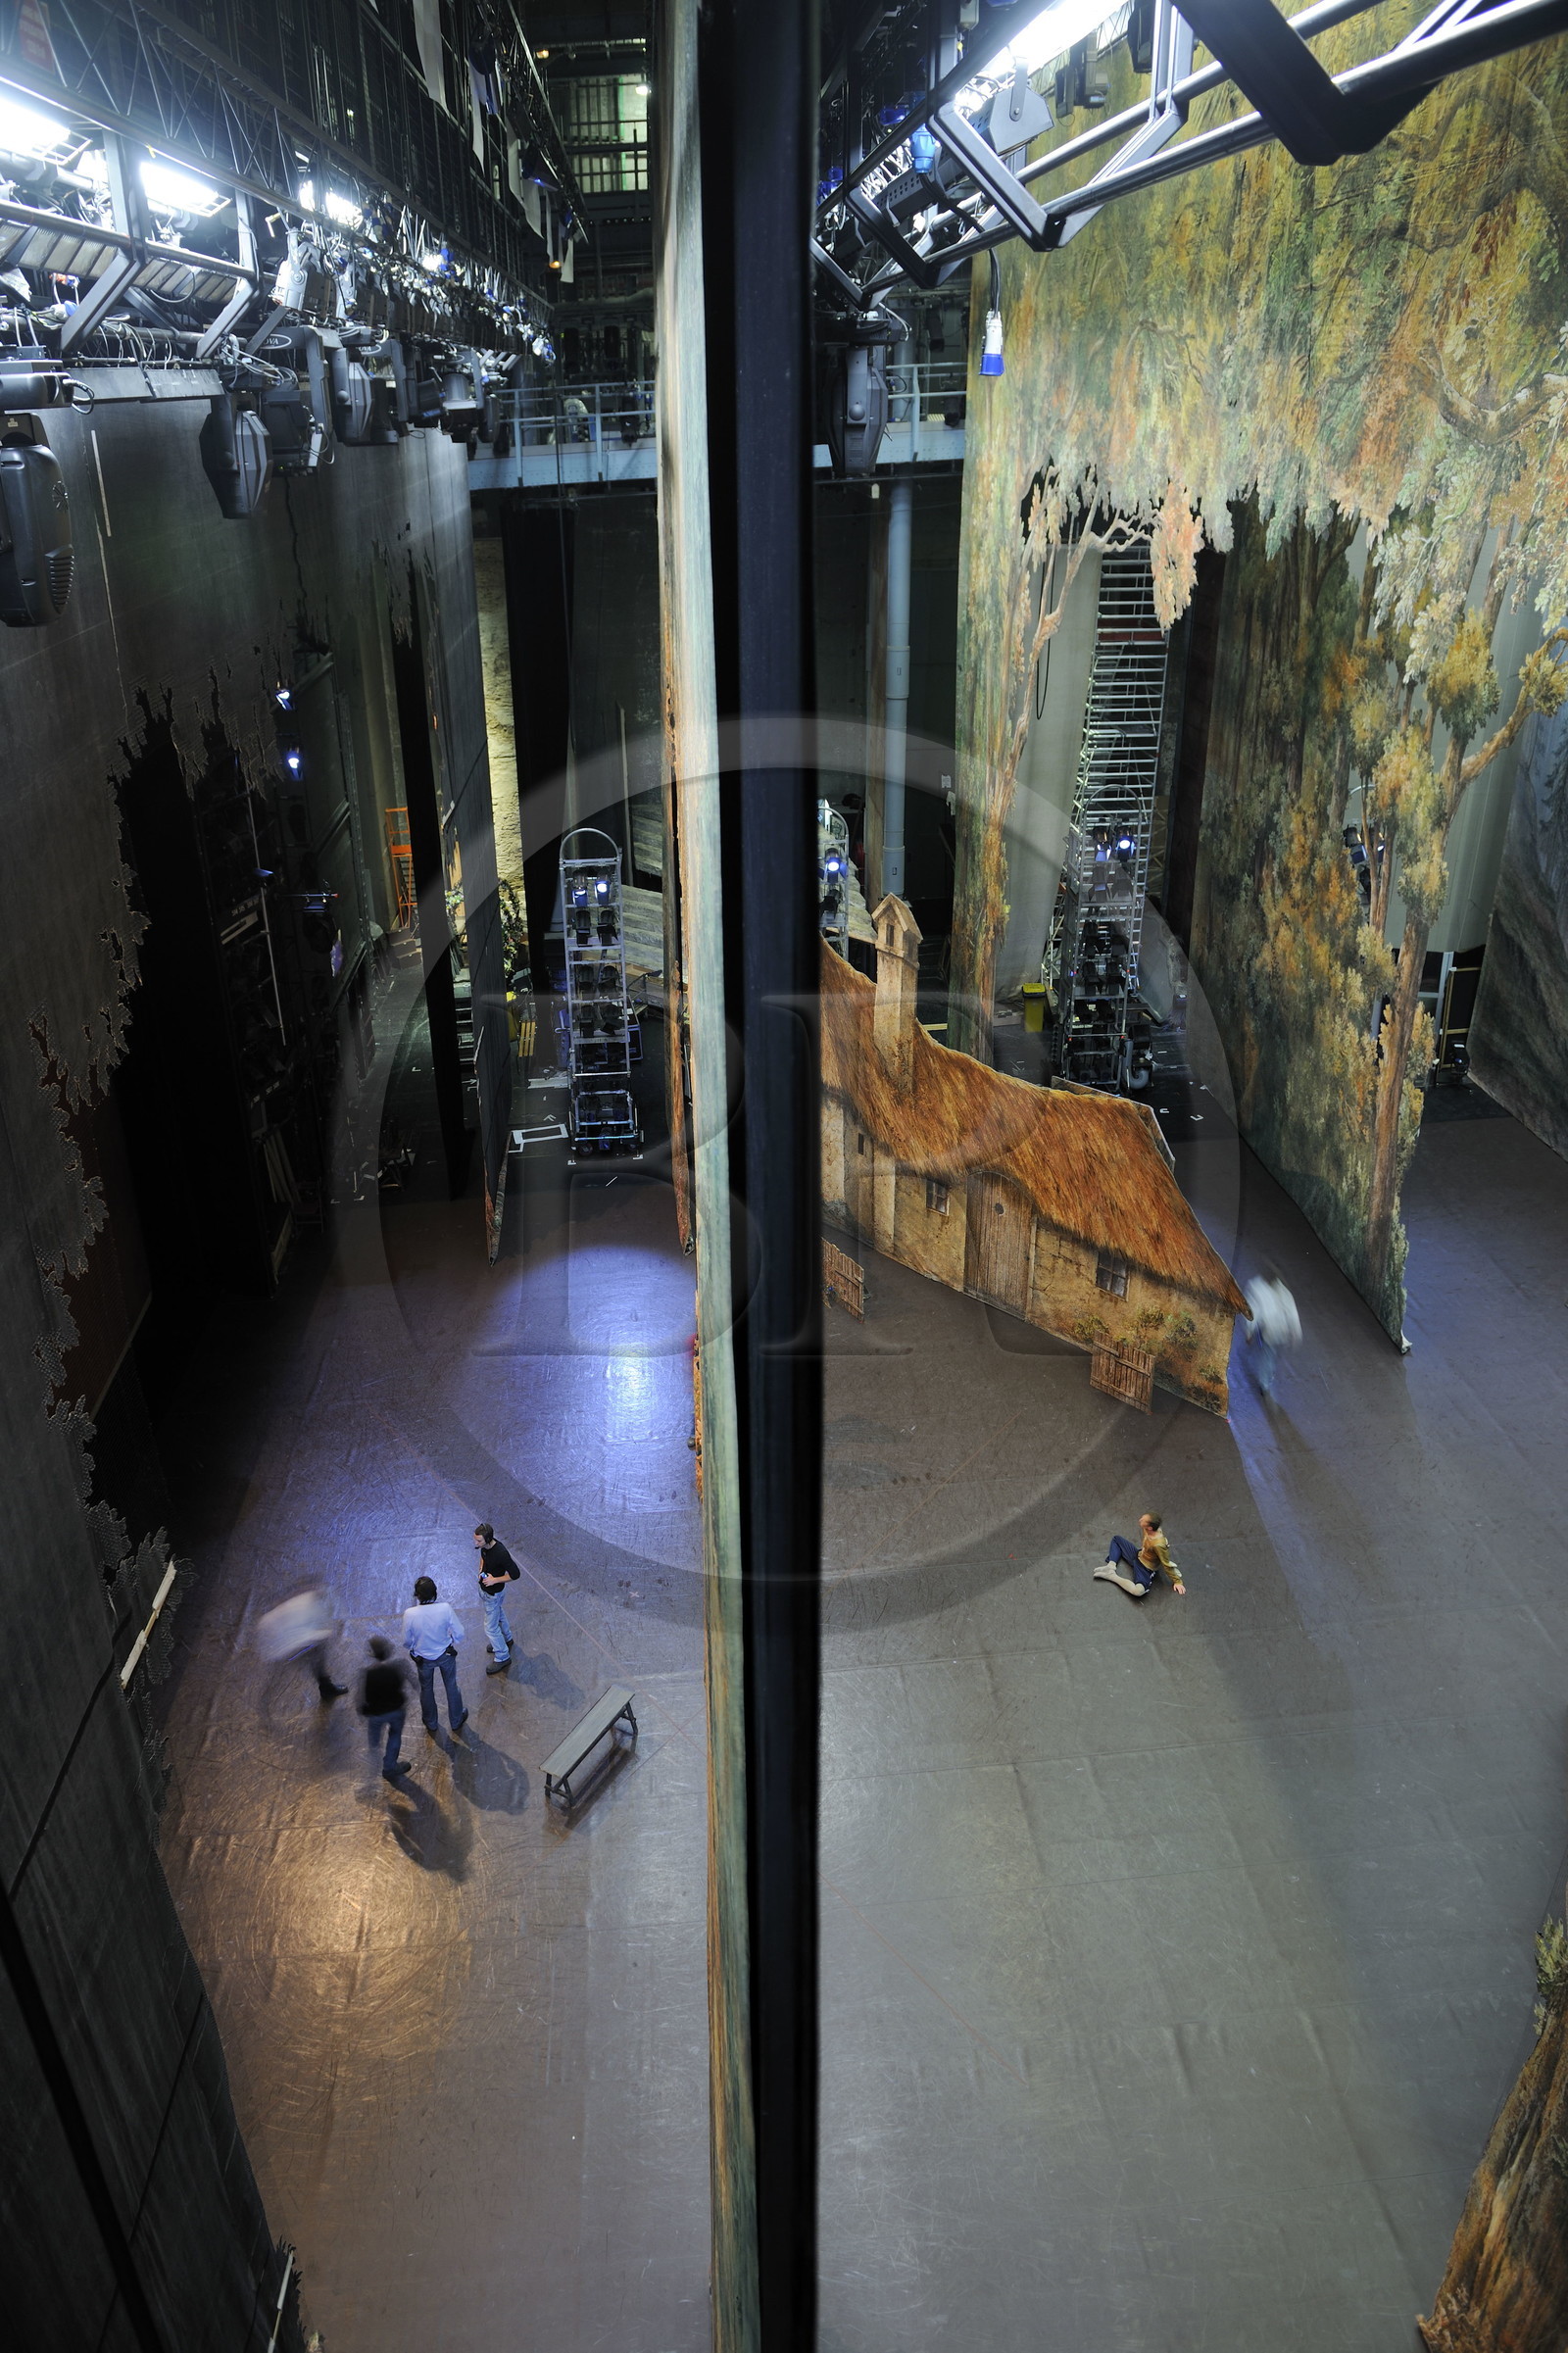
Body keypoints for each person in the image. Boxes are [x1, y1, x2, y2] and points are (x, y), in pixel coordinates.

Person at [402, 1576, 468, 1737]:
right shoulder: (445, 1608)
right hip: (445, 1654)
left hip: (423, 1659)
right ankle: (456, 1720)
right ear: (435, 1593)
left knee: (426, 1689)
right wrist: (452, 1641)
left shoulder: (410, 1614)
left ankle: (431, 1723)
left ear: (418, 1596)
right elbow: (460, 1632)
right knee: (451, 1685)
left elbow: (406, 1641)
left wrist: (413, 1649)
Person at [256, 1584, 346, 1699]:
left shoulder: (298, 1604)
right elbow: (319, 1633)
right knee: (316, 1657)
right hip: (293, 1644)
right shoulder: (308, 1609)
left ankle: (325, 1687)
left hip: (286, 1643)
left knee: (316, 1658)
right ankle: (326, 1688)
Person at [1094, 1512, 1186, 1600]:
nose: (1140, 1520)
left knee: (1138, 1591)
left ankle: (1112, 1576)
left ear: (1149, 1527)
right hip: (1138, 1555)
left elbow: (1166, 1564)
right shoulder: (1149, 1528)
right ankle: (1110, 1567)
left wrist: (1177, 1582)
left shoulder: (1158, 1545)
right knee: (1117, 1539)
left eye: (1143, 1520)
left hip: (1145, 1568)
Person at [358, 1636, 412, 1781]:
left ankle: (372, 1766)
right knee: (394, 1736)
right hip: (395, 1711)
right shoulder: (397, 1668)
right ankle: (389, 1766)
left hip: (375, 1714)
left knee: (374, 1742)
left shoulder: (368, 1673)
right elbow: (408, 1684)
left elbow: (362, 1696)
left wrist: (361, 1712)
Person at [1244, 1267, 1301, 1395]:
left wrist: (1249, 1332)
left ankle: (1264, 1383)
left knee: (1267, 1354)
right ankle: (1266, 1378)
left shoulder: (1258, 1289)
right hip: (1279, 1331)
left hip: (1270, 1330)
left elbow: (1254, 1312)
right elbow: (1292, 1313)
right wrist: (1295, 1333)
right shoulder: (1283, 1292)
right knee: (1270, 1354)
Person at [474, 1523, 520, 1674]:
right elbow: (483, 1557)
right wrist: (481, 1569)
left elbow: (515, 1574)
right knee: (498, 1614)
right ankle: (507, 1639)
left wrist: (494, 1580)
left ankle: (502, 1656)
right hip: (489, 1594)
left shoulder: (501, 1553)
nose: (476, 1544)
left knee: (490, 1627)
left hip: (493, 1594)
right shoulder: (485, 1548)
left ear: (488, 1539)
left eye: (479, 1541)